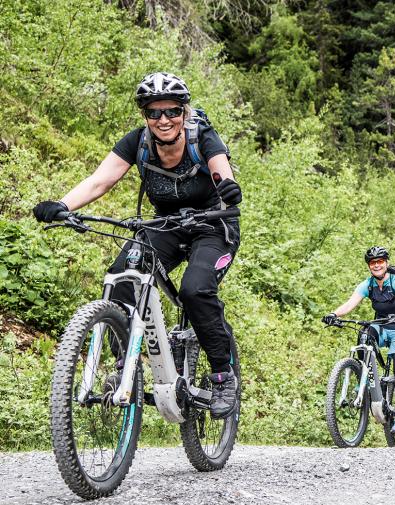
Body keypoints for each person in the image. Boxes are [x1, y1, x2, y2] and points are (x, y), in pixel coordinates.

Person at [32, 71, 242, 419]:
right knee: (122, 277)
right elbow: (101, 181)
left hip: (212, 226)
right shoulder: (137, 142)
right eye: (154, 112)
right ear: (145, 115)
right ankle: (122, 364)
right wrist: (63, 206)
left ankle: (222, 375)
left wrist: (228, 189)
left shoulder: (202, 137)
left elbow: (222, 172)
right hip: (165, 225)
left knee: (195, 290)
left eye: (172, 111)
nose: (164, 120)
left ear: (184, 112)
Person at [324, 246, 395, 434]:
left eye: (380, 262)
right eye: (373, 263)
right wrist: (334, 314)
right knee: (364, 334)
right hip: (381, 325)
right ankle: (362, 377)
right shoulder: (368, 284)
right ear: (369, 266)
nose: (377, 265)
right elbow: (350, 303)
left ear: (386, 263)